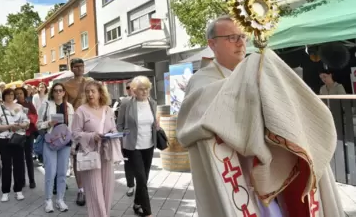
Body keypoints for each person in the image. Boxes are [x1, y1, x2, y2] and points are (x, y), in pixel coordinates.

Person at [177, 16, 344, 216]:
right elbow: (195, 121)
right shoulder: (201, 81)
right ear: (212, 44)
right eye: (231, 37)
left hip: (273, 164)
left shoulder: (260, 72)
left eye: (242, 36)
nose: (240, 43)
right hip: (238, 169)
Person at [72, 80, 122, 217]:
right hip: (90, 153)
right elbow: (75, 134)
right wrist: (92, 136)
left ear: (100, 93)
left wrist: (113, 134)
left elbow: (113, 127)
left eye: (93, 91)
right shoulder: (80, 111)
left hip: (106, 152)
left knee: (107, 188)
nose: (90, 94)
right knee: (94, 190)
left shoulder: (108, 109)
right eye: (87, 92)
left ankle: (105, 214)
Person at [117, 76, 158, 217]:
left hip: (149, 145)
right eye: (142, 89)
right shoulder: (126, 103)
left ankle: (136, 204)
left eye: (147, 88)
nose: (145, 91)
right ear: (134, 90)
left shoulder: (152, 103)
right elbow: (119, 125)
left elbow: (153, 123)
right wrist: (122, 140)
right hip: (132, 146)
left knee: (144, 179)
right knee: (140, 178)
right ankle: (147, 212)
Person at [37, 82, 74, 213]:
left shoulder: (69, 107)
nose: (58, 93)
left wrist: (73, 143)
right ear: (52, 92)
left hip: (65, 143)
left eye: (60, 91)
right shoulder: (46, 105)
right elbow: (38, 124)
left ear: (64, 92)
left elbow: (71, 127)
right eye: (56, 90)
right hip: (50, 142)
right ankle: (48, 200)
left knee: (62, 173)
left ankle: (60, 199)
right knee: (50, 172)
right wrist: (49, 123)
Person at [0, 88, 30, 202]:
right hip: (3, 140)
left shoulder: (19, 107)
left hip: (18, 139)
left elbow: (27, 122)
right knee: (6, 166)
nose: (10, 96)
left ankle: (18, 190)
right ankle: (5, 191)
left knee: (18, 165)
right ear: (3, 96)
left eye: (12, 94)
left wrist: (21, 125)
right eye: (8, 95)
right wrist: (9, 127)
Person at [64, 58, 91, 206]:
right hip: (75, 123)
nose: (80, 69)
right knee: (77, 157)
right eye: (77, 66)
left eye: (82, 66)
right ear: (72, 68)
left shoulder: (90, 82)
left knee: (92, 154)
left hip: (91, 121)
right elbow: (66, 109)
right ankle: (81, 189)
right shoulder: (67, 85)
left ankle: (91, 186)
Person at [14, 87, 38, 189]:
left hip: (29, 134)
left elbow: (35, 117)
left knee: (28, 157)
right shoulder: (14, 105)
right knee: (19, 158)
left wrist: (27, 118)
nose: (19, 95)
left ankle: (32, 180)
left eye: (21, 93)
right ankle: (22, 180)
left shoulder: (29, 104)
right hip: (18, 134)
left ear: (24, 94)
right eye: (17, 93)